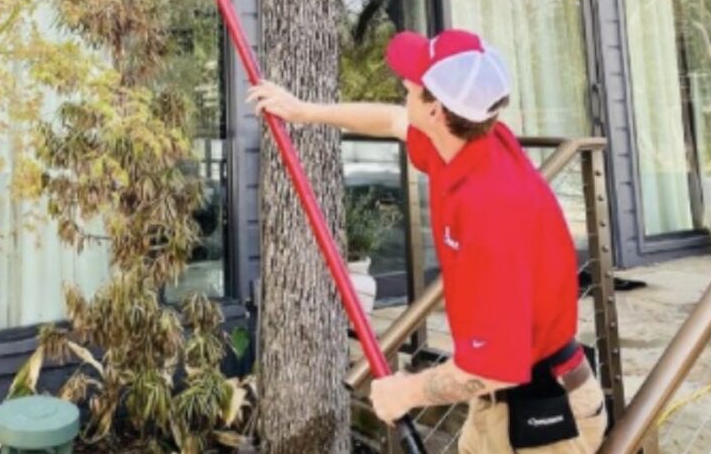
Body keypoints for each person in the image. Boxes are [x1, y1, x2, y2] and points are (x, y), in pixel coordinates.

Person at [248, 28, 608, 453]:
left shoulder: (492, 212)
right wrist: (303, 112)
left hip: (541, 418)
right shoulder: (467, 141)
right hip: (500, 402)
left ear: (436, 110)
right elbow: (392, 121)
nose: (404, 84)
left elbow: (496, 368)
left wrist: (407, 392)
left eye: (414, 83)